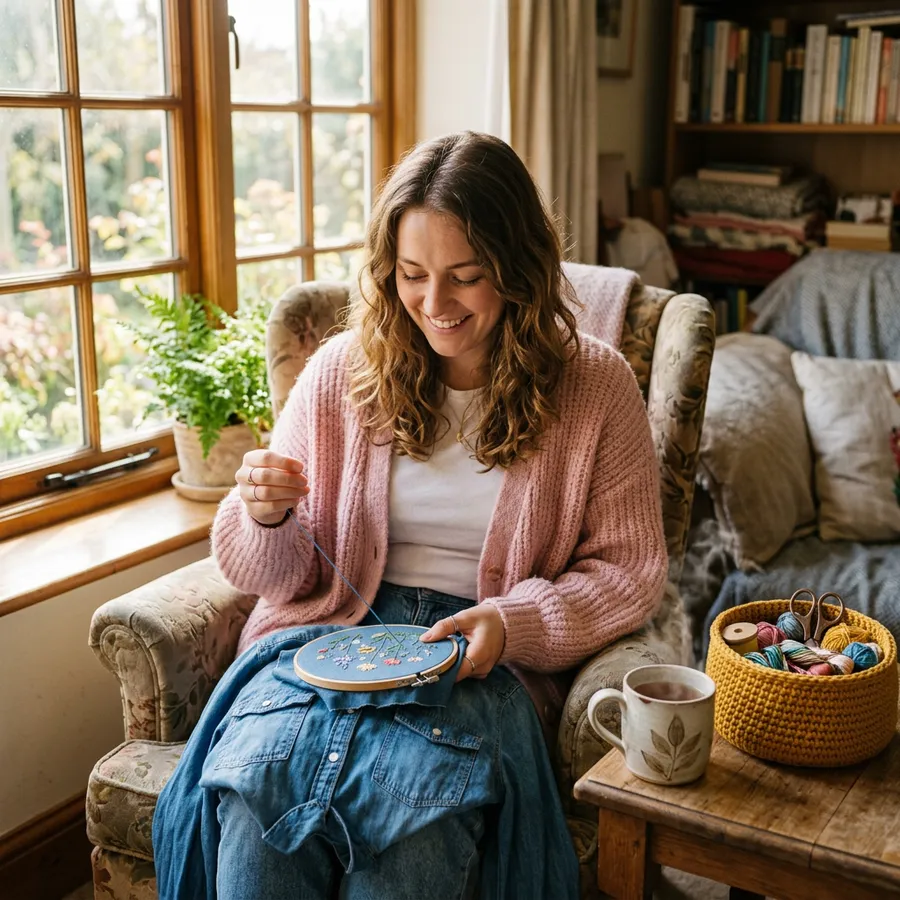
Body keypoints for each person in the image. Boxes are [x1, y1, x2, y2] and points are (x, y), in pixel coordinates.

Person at [152, 131, 668, 900]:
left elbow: (630, 573)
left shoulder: (596, 387)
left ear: (518, 269)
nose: (433, 304)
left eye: (465, 277)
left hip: (478, 660)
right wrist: (262, 516)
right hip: (325, 643)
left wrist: (512, 623)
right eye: (412, 275)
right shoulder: (339, 373)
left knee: (411, 835)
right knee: (257, 809)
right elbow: (273, 573)